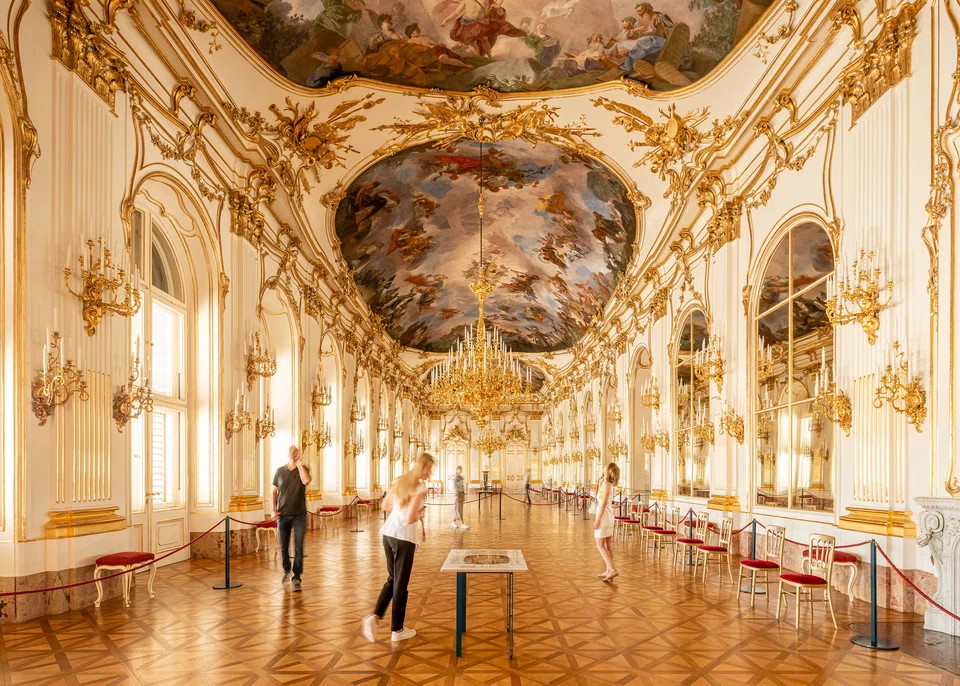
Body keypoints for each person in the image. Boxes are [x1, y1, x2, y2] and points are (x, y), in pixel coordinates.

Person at [360, 453, 435, 643]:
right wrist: (420, 513)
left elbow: (385, 505)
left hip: (388, 535)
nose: (431, 472)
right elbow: (410, 518)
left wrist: (403, 507)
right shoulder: (420, 486)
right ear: (423, 467)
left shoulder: (400, 481)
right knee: (400, 585)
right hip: (403, 538)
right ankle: (397, 630)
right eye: (429, 468)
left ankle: (375, 617)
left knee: (393, 579)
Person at [271, 446, 312, 592]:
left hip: (299, 515)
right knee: (283, 547)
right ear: (287, 453)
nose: (292, 453)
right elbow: (274, 491)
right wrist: (273, 509)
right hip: (283, 516)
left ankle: (297, 577)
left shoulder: (303, 469)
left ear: (298, 454)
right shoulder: (279, 471)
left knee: (299, 547)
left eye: (295, 451)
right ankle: (287, 570)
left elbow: (306, 480)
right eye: (290, 451)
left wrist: (300, 464)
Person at [593, 462, 620, 582]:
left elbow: (603, 503)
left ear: (609, 471)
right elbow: (599, 498)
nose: (603, 468)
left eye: (605, 468)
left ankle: (612, 570)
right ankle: (608, 571)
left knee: (599, 545)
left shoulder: (608, 484)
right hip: (608, 516)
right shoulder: (606, 483)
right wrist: (600, 482)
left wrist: (597, 519)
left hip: (604, 516)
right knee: (608, 545)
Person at [451, 465, 469, 529]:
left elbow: (462, 486)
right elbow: (454, 486)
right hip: (457, 494)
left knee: (460, 509)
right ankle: (462, 523)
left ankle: (453, 522)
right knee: (458, 509)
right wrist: (456, 494)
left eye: (461, 469)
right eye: (459, 469)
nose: (460, 470)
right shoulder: (455, 478)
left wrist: (464, 494)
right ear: (456, 470)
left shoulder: (461, 477)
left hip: (461, 494)